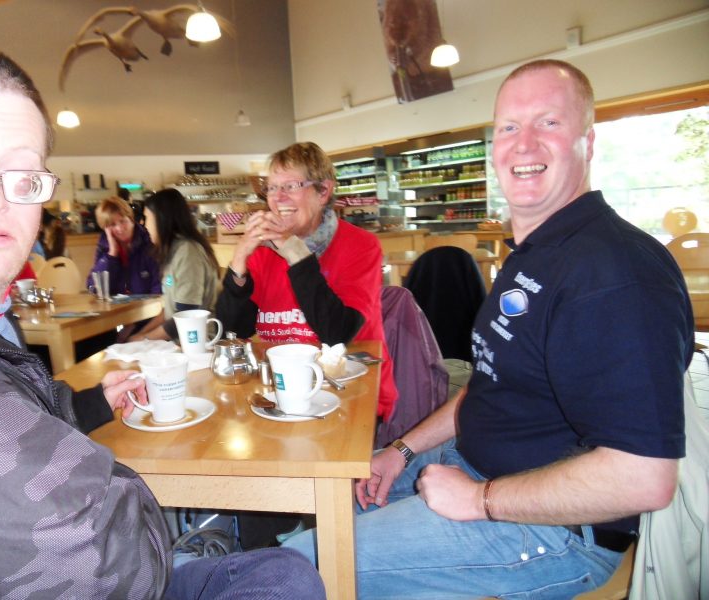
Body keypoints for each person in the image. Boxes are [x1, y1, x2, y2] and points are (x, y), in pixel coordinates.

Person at [0, 38, 324, 599]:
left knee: (285, 573)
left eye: (22, 175)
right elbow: (112, 562)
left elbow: (316, 327)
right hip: (109, 567)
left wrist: (88, 404)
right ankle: (214, 534)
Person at [284, 59, 694, 598]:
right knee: (320, 509)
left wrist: (478, 500)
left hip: (553, 532)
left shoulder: (615, 275)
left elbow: (644, 478)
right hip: (472, 466)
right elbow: (490, 384)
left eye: (548, 122)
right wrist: (401, 452)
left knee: (291, 566)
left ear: (588, 143)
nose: (523, 144)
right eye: (508, 127)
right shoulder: (535, 255)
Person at [216, 141, 398, 420]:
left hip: (350, 392)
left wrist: (294, 252)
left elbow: (336, 333)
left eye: (291, 186)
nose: (278, 198)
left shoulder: (361, 246)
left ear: (323, 191)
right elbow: (233, 331)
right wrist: (239, 259)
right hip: (281, 391)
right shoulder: (263, 252)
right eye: (272, 187)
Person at [129, 188, 220, 341]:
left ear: (161, 219)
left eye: (147, 217)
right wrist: (138, 335)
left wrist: (144, 340)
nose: (143, 223)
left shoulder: (188, 252)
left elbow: (185, 317)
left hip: (196, 344)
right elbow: (168, 313)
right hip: (177, 343)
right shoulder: (174, 251)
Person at [87, 195, 161, 296]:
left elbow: (160, 286)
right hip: (115, 309)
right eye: (112, 224)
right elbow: (94, 288)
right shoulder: (104, 249)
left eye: (122, 221)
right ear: (105, 228)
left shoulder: (147, 246)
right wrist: (111, 254)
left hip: (146, 308)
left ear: (131, 219)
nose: (120, 228)